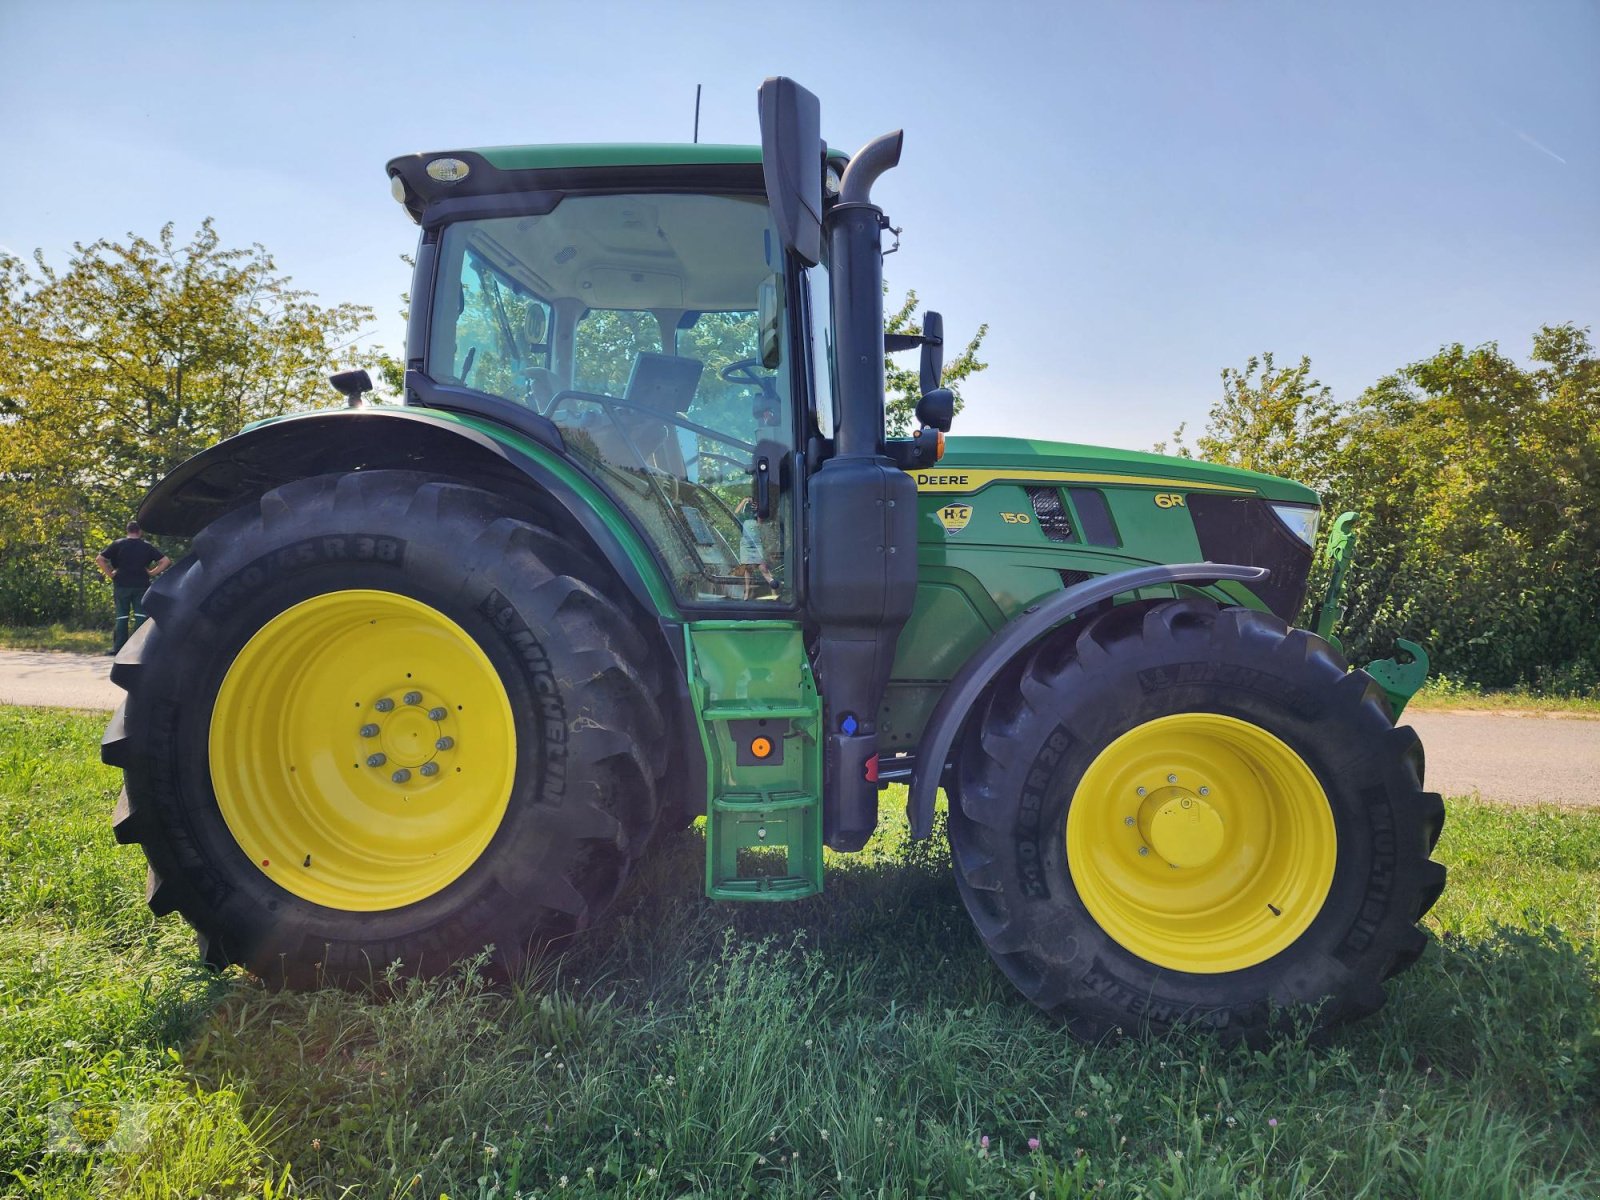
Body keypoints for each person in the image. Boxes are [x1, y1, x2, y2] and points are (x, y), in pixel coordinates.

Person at [95, 521, 171, 653]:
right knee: (141, 616)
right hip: (141, 584)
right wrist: (152, 572)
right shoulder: (146, 546)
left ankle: (118, 648)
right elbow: (165, 561)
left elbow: (100, 559)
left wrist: (111, 574)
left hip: (121, 584)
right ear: (140, 531)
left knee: (122, 616)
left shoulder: (118, 544)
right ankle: (139, 648)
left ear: (127, 530)